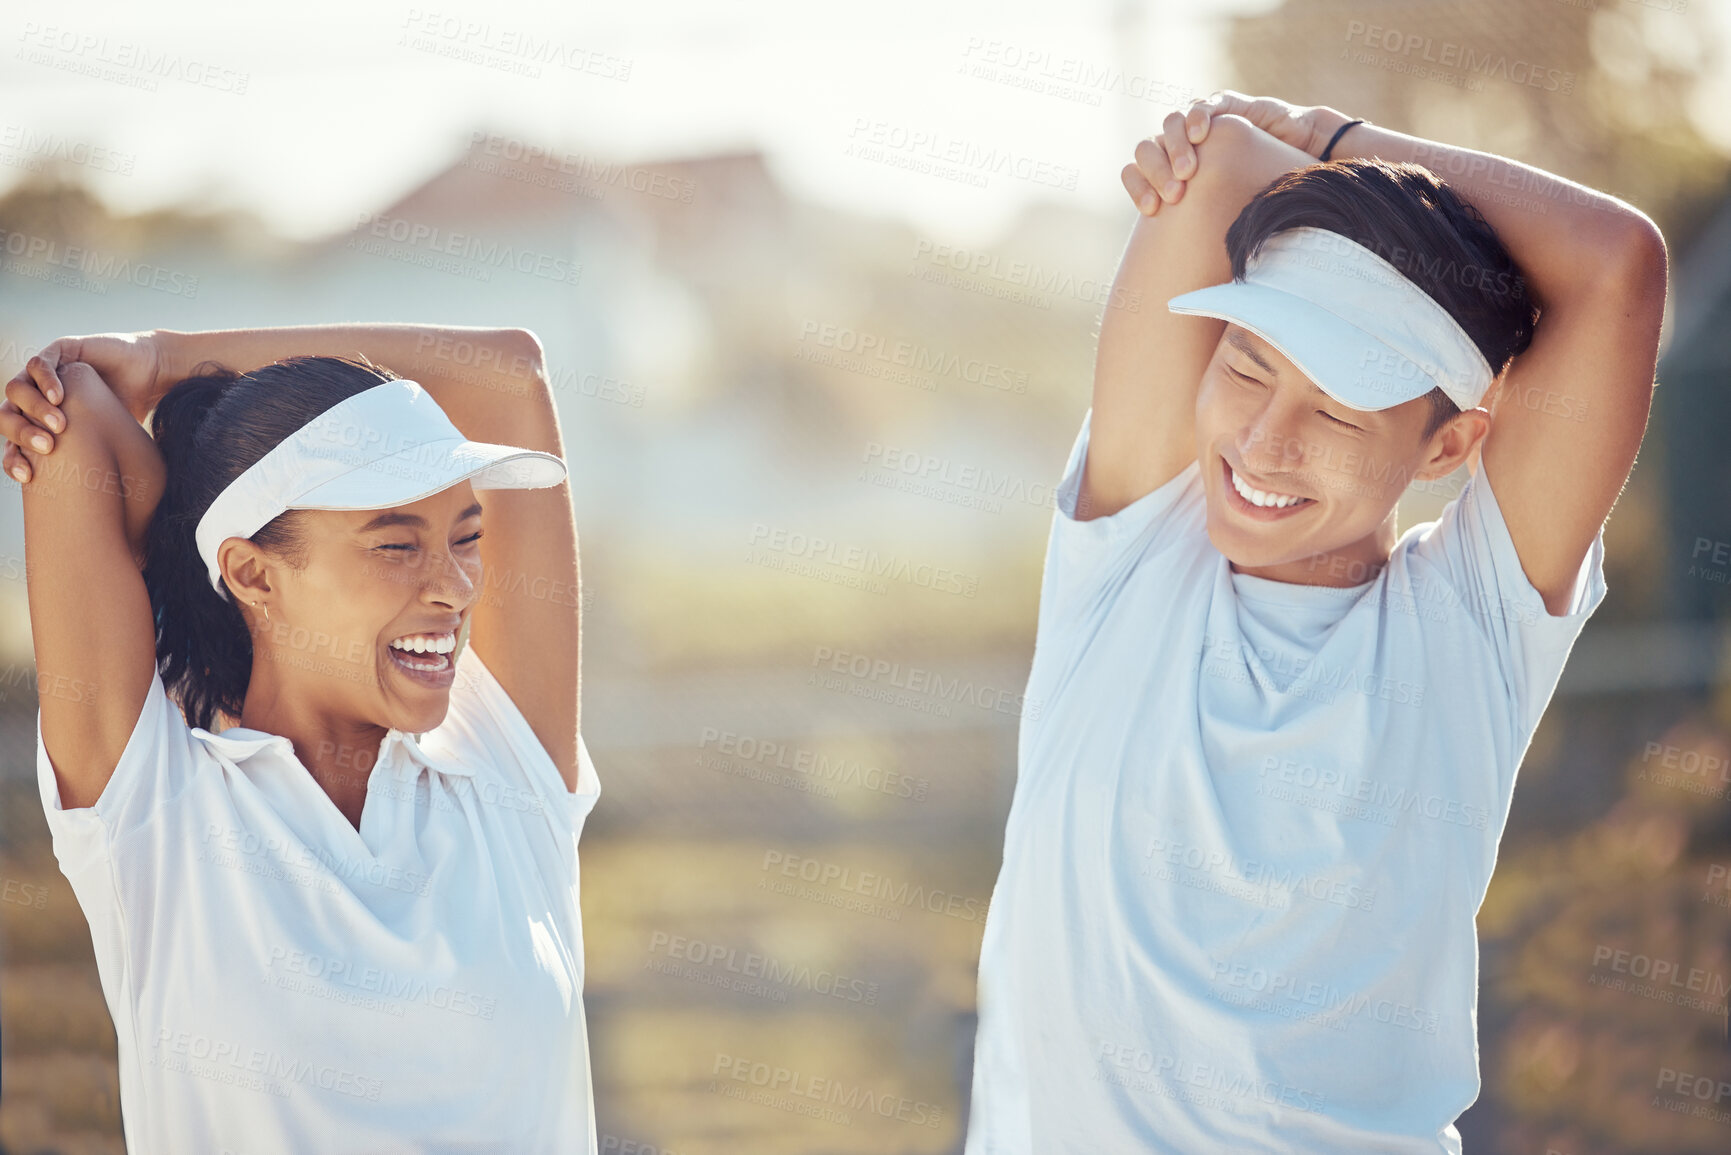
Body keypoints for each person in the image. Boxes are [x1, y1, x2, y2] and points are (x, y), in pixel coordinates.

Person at [963, 92, 1668, 1153]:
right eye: (1247, 366)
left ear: (1446, 447)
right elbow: (1216, 167)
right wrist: (1274, 158)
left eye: (1337, 410)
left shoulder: (1470, 631)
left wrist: (1327, 139)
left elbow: (1616, 263)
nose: (1264, 440)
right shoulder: (1132, 561)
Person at [3, 325, 601, 1152]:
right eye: (397, 544)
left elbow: (511, 370)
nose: (455, 586)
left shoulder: (504, 774)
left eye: (467, 536)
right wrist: (183, 495)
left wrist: (168, 360)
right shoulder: (154, 814)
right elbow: (75, 415)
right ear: (250, 573)